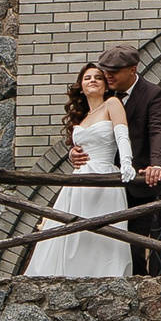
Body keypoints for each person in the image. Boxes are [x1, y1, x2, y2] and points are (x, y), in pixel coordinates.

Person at [24, 63, 135, 278]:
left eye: (98, 77)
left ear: (105, 85)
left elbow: (121, 134)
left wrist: (127, 162)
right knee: (71, 232)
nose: (92, 80)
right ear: (81, 88)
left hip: (103, 177)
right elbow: (82, 145)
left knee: (103, 232)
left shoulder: (112, 104)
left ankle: (104, 275)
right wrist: (71, 154)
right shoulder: (82, 118)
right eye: (87, 78)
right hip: (79, 181)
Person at [67, 44, 161, 271]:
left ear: (132, 70)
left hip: (136, 186)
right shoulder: (102, 93)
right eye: (105, 70)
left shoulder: (153, 94)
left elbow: (158, 130)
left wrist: (157, 165)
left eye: (113, 71)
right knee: (89, 242)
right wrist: (73, 152)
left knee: (131, 249)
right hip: (98, 187)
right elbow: (86, 129)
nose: (107, 75)